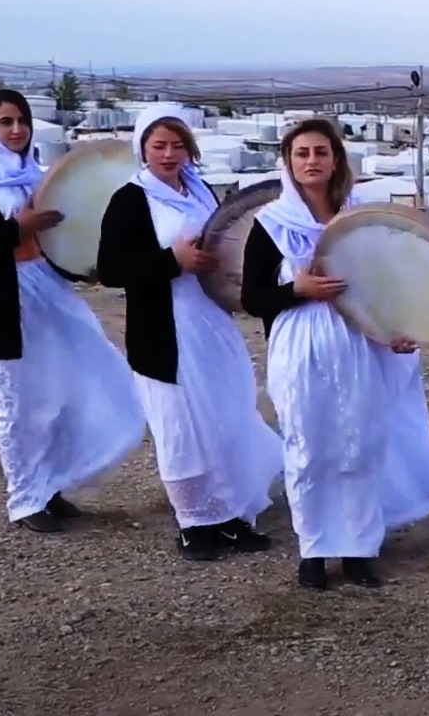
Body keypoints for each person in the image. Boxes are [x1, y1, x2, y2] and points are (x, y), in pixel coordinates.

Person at [241, 118, 429, 590]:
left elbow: (387, 285)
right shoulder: (271, 225)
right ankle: (314, 549)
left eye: (320, 152)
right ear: (288, 163)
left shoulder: (363, 220)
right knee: (308, 446)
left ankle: (359, 547)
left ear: (336, 159)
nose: (311, 161)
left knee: (359, 444)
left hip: (358, 341)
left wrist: (397, 329)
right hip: (300, 344)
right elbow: (252, 298)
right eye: (301, 154)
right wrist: (300, 288)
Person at [0, 89, 145, 533]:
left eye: (22, 121)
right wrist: (14, 229)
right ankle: (25, 499)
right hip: (0, 305)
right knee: (17, 407)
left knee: (59, 399)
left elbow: (64, 240)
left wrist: (82, 264)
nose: (16, 130)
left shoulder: (42, 179)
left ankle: (52, 487)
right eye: (6, 122)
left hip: (48, 297)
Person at [96, 103, 284, 560]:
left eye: (177, 144)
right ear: (142, 148)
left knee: (225, 417)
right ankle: (194, 523)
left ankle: (232, 516)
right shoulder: (130, 199)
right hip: (164, 331)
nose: (168, 153)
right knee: (181, 427)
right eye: (158, 145)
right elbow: (110, 268)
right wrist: (172, 261)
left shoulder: (199, 189)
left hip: (209, 323)